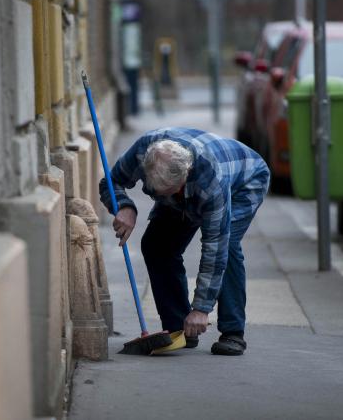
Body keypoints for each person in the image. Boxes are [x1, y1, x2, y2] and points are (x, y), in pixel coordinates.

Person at [99, 127, 269, 356]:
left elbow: (214, 249)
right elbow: (110, 182)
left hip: (245, 181)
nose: (163, 196)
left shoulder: (211, 181)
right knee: (156, 244)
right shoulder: (141, 152)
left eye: (170, 191)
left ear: (184, 176)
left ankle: (233, 332)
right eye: (158, 192)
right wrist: (124, 206)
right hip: (189, 190)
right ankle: (180, 328)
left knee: (226, 246)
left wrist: (201, 309)